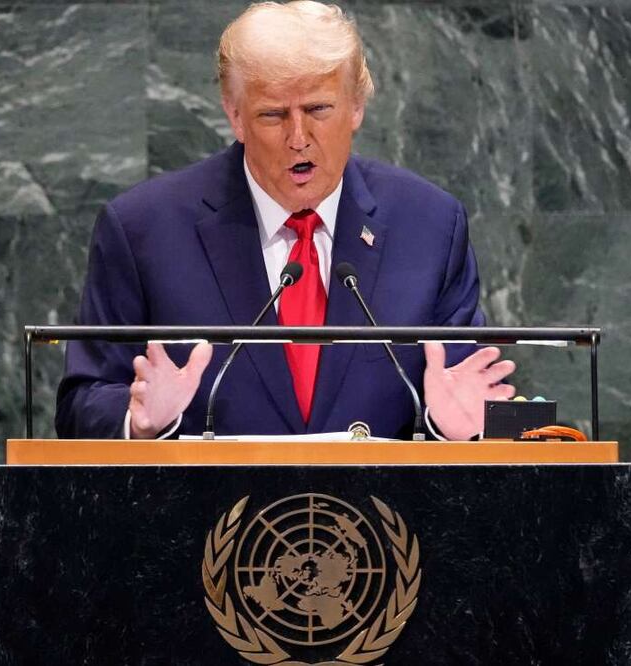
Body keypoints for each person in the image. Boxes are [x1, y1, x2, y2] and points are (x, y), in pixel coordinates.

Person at [55, 0, 516, 441]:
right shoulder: (144, 230)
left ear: (356, 106)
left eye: (318, 109)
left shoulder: (430, 226)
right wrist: (139, 423)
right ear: (235, 116)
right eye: (272, 115)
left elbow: (466, 394)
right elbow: (82, 402)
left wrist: (449, 427)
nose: (299, 138)